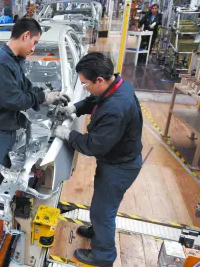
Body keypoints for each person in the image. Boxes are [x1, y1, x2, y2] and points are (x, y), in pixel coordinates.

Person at [0, 18, 70, 246]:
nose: (34, 48)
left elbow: (24, 87)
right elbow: (12, 99)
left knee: (0, 172)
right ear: (24, 36)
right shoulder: (1, 63)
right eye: (34, 42)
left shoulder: (15, 60)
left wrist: (48, 94)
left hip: (7, 128)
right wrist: (41, 98)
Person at [53, 53, 143, 266]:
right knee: (101, 205)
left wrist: (67, 134)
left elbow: (93, 145)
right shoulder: (117, 86)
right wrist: (75, 108)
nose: (85, 88)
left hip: (120, 166)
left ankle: (103, 256)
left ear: (100, 80)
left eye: (86, 84)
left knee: (103, 212)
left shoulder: (116, 109)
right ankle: (98, 232)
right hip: (117, 160)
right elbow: (95, 100)